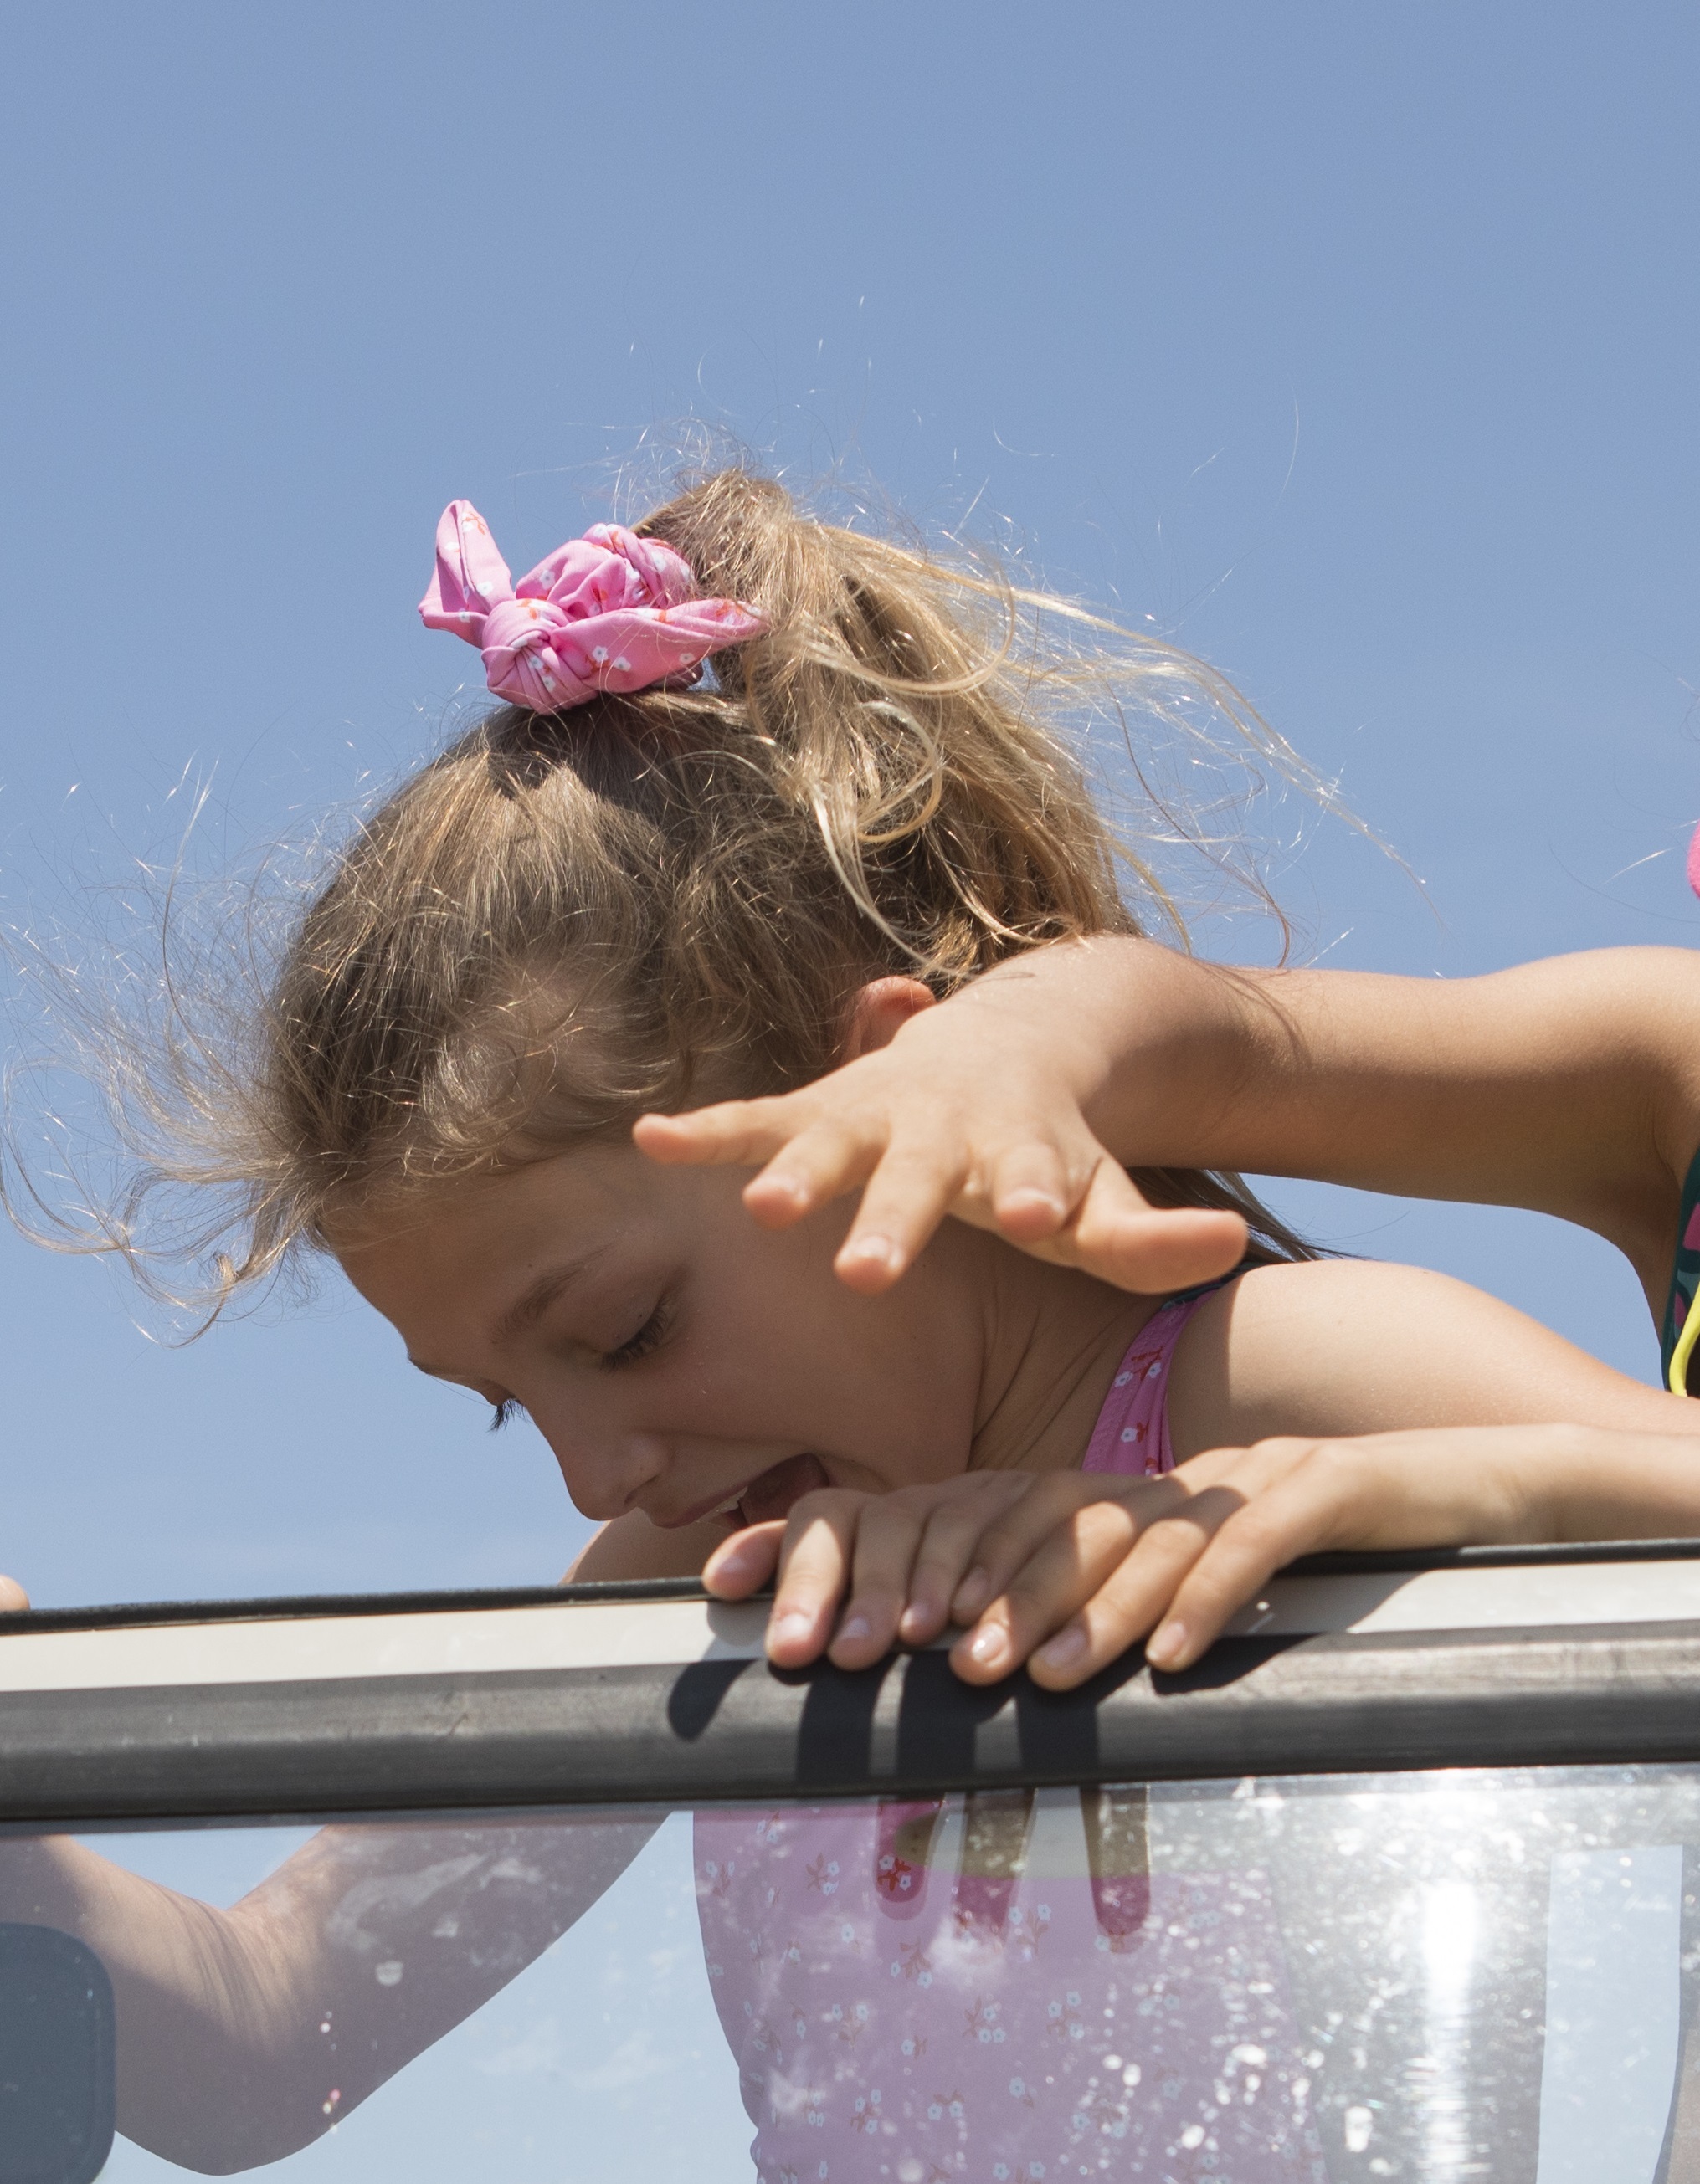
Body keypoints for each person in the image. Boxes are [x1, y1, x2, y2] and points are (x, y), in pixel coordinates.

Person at [8, 470, 1700, 2177]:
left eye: (624, 1330)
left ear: (902, 1094)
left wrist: (1461, 1493)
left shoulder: (1269, 1391)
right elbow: (271, 2028)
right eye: (508, 1404)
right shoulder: (701, 1562)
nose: (599, 1479)